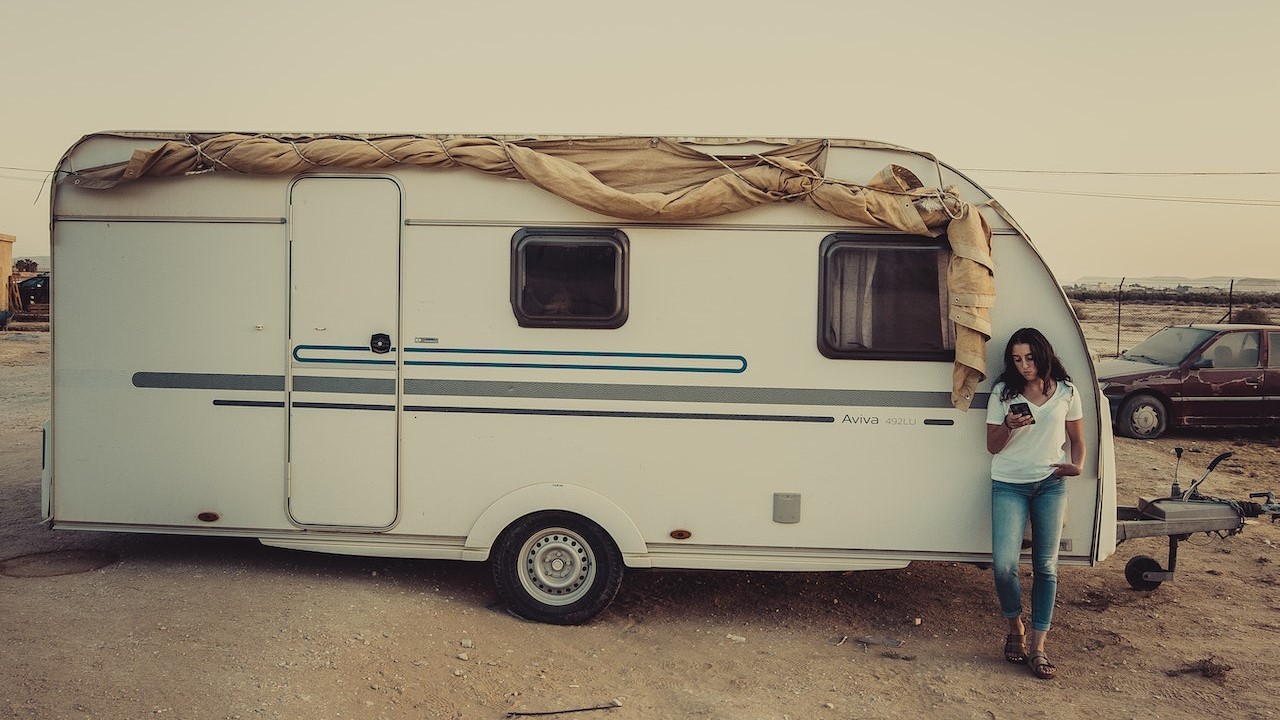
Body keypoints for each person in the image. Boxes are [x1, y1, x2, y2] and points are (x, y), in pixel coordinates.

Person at [985, 327, 1085, 680]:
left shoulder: (1067, 392)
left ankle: (1039, 647)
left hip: (1051, 484)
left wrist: (1078, 466)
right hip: (1009, 484)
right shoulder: (1003, 392)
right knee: (1004, 566)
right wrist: (1010, 425)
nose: (1024, 365)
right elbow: (992, 447)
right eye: (1017, 359)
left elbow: (1077, 438)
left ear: (1043, 355)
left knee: (1046, 567)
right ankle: (1016, 628)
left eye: (1029, 358)